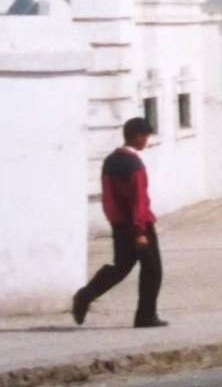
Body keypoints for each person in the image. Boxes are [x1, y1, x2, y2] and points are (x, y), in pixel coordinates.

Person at [72, 117, 166, 328]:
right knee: (152, 270)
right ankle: (146, 316)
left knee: (121, 267)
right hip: (138, 226)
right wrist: (140, 230)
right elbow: (138, 200)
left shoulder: (111, 160)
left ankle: (86, 295)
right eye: (146, 136)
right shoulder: (134, 165)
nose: (147, 141)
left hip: (119, 224)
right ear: (138, 136)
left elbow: (108, 196)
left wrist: (116, 222)